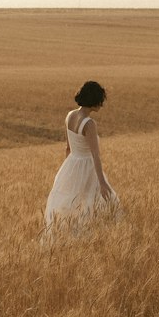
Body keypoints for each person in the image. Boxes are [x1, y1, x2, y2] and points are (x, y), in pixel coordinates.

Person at [43, 80, 120, 232]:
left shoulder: (70, 116)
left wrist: (68, 173)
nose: (101, 104)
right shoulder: (89, 124)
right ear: (94, 100)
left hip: (71, 164)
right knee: (105, 204)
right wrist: (102, 182)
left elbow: (68, 148)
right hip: (88, 167)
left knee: (72, 205)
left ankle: (75, 235)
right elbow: (95, 155)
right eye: (100, 100)